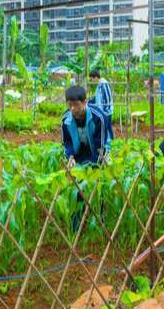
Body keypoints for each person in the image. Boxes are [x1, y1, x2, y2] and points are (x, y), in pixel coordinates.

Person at [61, 85, 111, 231]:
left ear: (85, 102)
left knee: (97, 185)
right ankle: (77, 224)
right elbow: (67, 142)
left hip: (97, 152)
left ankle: (100, 221)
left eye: (76, 105)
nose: (73, 109)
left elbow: (100, 145)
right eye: (69, 105)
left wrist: (93, 167)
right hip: (78, 154)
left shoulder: (98, 116)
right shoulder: (65, 119)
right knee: (76, 187)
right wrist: (70, 156)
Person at [89, 69, 114, 140]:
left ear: (96, 77)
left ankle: (109, 141)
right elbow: (98, 97)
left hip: (106, 111)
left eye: (92, 78)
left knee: (106, 127)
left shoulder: (103, 84)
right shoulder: (100, 84)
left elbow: (107, 97)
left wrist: (105, 111)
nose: (92, 80)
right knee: (107, 127)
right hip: (104, 110)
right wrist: (90, 101)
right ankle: (111, 141)